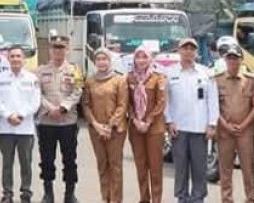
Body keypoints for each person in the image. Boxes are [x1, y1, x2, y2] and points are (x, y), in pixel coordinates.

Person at [165, 37, 219, 203]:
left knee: (199, 167)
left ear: (196, 52)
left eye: (191, 49)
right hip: (178, 129)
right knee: (180, 167)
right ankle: (181, 197)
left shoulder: (206, 72)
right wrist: (169, 121)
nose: (188, 52)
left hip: (199, 129)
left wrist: (212, 124)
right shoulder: (170, 73)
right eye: (184, 48)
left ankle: (198, 198)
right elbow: (165, 100)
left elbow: (213, 100)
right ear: (179, 51)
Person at [36, 33, 83, 203]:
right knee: (47, 159)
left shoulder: (74, 70)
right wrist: (49, 108)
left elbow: (78, 91)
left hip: (67, 122)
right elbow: (36, 93)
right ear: (49, 50)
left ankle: (69, 194)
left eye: (61, 48)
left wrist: (63, 108)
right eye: (55, 48)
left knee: (69, 159)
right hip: (47, 121)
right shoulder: (41, 71)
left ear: (67, 50)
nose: (58, 51)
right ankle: (48, 193)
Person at [0, 44, 41, 203]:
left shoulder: (32, 79)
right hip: (6, 128)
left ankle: (26, 193)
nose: (15, 59)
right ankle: (7, 193)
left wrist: (20, 115)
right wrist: (8, 115)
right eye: (12, 56)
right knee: (7, 164)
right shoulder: (0, 78)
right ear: (7, 58)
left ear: (24, 59)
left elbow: (36, 102)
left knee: (26, 163)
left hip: (25, 129)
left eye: (18, 56)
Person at [82, 48, 128, 203]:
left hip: (115, 131)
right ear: (95, 62)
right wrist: (96, 125)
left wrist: (109, 126)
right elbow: (86, 105)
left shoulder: (119, 80)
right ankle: (105, 198)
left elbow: (123, 105)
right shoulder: (90, 81)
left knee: (115, 167)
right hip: (96, 131)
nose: (102, 62)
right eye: (99, 59)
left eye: (105, 59)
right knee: (102, 166)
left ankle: (116, 199)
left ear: (110, 61)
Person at [126, 45, 167, 203]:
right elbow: (127, 103)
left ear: (150, 59)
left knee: (155, 167)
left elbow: (161, 102)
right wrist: (135, 120)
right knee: (141, 166)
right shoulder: (129, 78)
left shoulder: (158, 77)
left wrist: (148, 121)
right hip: (136, 128)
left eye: (144, 57)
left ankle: (157, 199)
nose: (141, 60)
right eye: (138, 57)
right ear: (134, 59)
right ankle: (144, 198)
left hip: (154, 128)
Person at [215, 45, 254, 203]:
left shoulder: (250, 80)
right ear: (225, 60)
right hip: (225, 131)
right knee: (225, 170)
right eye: (229, 58)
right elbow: (214, 107)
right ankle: (227, 199)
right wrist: (225, 125)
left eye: (235, 58)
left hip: (246, 131)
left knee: (249, 169)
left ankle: (251, 198)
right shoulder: (217, 80)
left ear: (241, 60)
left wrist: (244, 125)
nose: (232, 61)